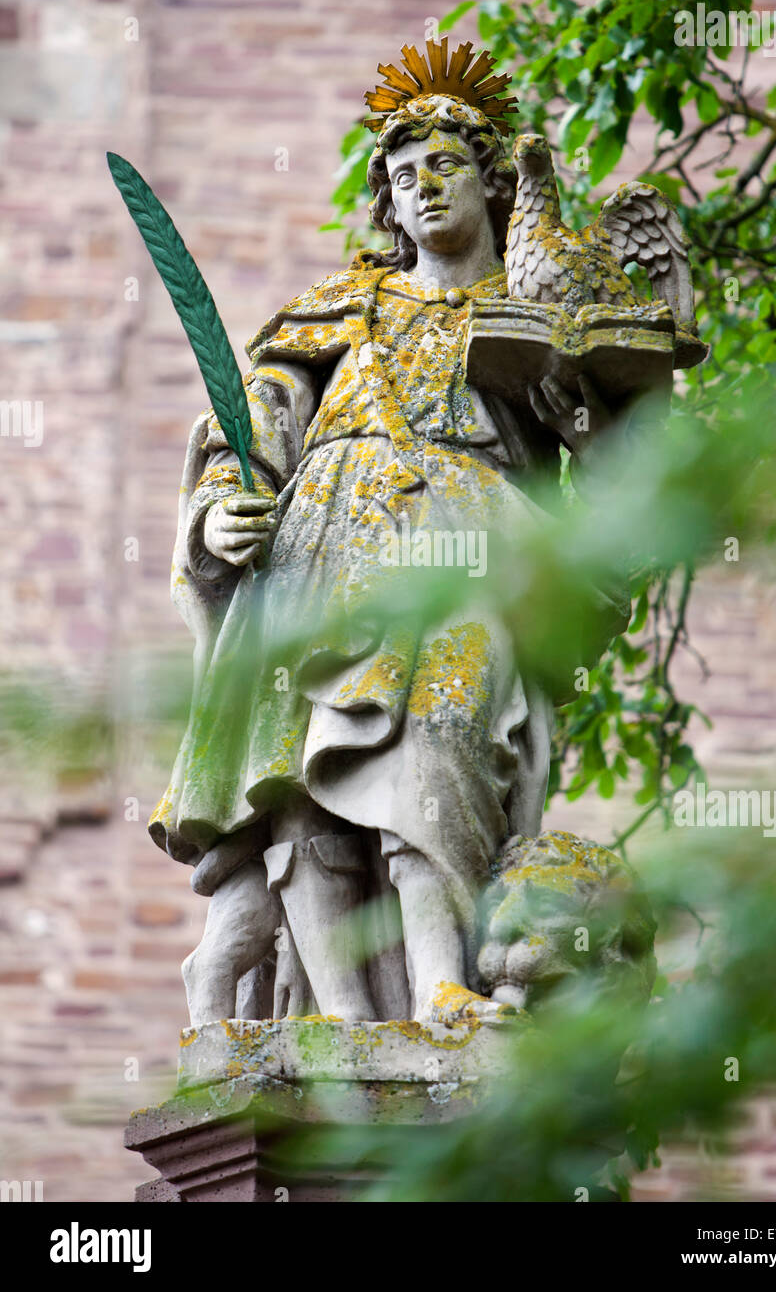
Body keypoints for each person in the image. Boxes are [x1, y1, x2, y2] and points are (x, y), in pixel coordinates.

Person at [151, 54, 631, 1024]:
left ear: (493, 180)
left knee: (440, 740)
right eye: (403, 175)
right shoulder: (334, 313)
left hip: (475, 545)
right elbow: (249, 426)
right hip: (324, 541)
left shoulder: (536, 315)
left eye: (447, 162)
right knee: (300, 769)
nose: (425, 185)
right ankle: (335, 1014)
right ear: (386, 204)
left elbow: (626, 467)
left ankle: (441, 979)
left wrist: (584, 414)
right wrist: (220, 509)